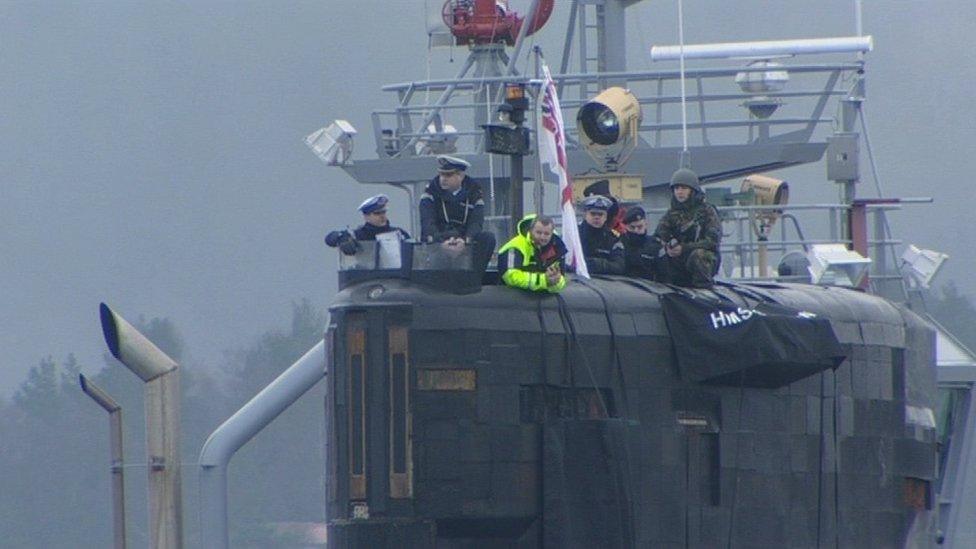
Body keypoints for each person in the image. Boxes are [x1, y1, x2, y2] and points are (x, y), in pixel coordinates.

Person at [419, 155, 496, 271]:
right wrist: (441, 242)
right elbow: (427, 222)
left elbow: (476, 222)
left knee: (488, 238)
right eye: (441, 174)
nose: (443, 179)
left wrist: (465, 241)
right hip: (439, 241)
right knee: (434, 253)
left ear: (460, 175)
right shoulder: (430, 194)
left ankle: (475, 278)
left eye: (448, 175)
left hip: (464, 240)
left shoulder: (474, 193)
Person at [653, 168, 722, 288]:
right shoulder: (671, 214)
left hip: (703, 259)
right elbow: (659, 235)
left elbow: (712, 241)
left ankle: (703, 288)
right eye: (677, 188)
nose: (679, 192)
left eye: (684, 188)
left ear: (692, 191)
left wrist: (684, 248)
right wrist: (668, 246)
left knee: (699, 255)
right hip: (678, 260)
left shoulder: (707, 211)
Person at [497, 214, 567, 293]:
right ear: (530, 231)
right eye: (538, 232)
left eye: (547, 234)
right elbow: (510, 276)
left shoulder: (557, 250)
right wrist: (543, 281)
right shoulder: (513, 248)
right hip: (512, 299)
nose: (542, 237)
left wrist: (555, 282)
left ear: (552, 234)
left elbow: (561, 281)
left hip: (543, 300)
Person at [325, 194, 410, 255]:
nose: (382, 216)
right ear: (366, 216)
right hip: (367, 277)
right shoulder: (359, 235)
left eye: (384, 212)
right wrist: (341, 237)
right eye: (377, 213)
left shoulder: (399, 232)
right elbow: (329, 239)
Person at [578, 194, 625, 275]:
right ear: (585, 215)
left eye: (600, 214)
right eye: (593, 214)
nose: (597, 217)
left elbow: (619, 267)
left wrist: (595, 264)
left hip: (605, 283)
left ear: (606, 217)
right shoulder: (576, 235)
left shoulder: (613, 238)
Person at [620, 206, 662, 280]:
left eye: (639, 227)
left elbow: (663, 274)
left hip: (649, 288)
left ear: (646, 224)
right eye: (632, 227)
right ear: (626, 227)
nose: (636, 231)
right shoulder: (619, 243)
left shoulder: (655, 246)